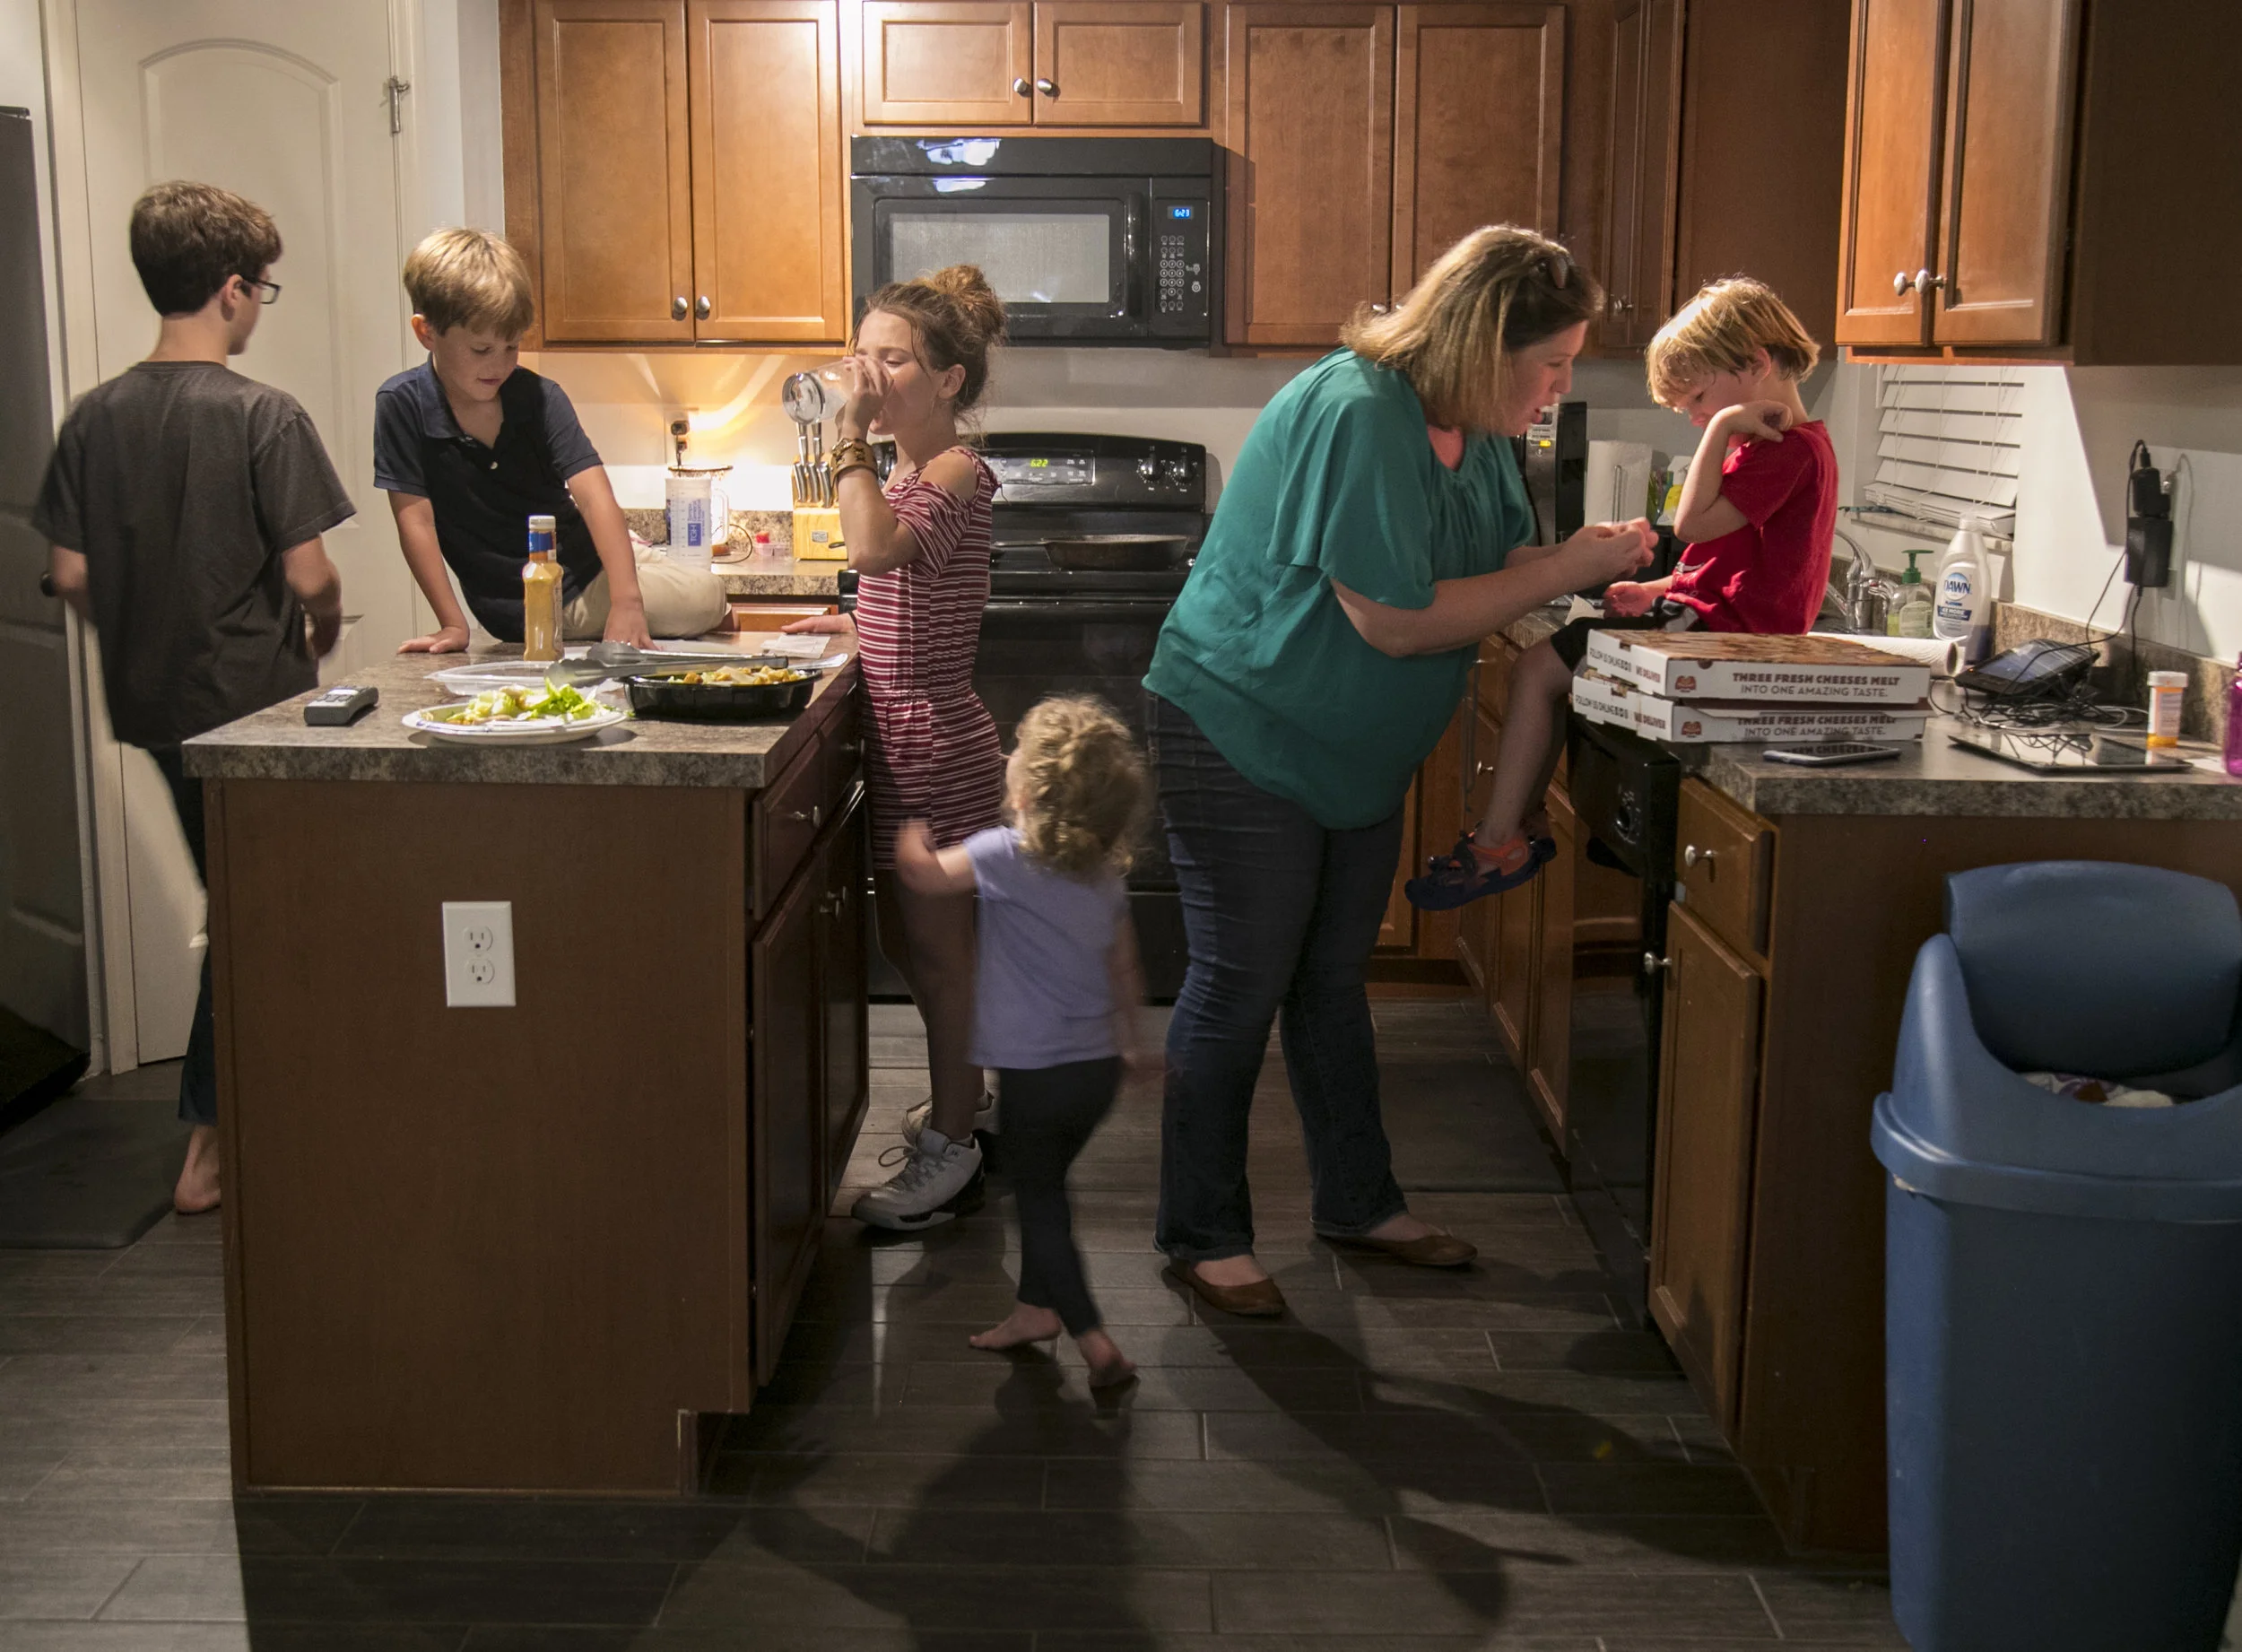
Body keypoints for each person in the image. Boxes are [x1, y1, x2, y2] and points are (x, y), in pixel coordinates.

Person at [1141, 224, 1655, 1317]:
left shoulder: (1475, 427)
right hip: (1242, 725)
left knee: (1329, 981)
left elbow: (1497, 564)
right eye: (1551, 363)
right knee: (1239, 984)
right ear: (1480, 343)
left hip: (1347, 755)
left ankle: (1359, 1203)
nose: (1562, 384)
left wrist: (1586, 570)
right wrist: (1568, 567)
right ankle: (1201, 1234)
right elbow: (1391, 620)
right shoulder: (1359, 411)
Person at [35, 181, 352, 1213]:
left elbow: (73, 577)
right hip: (250, 713)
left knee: (247, 908)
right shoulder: (260, 415)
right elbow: (310, 576)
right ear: (229, 290)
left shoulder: (93, 418)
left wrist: (139, 642)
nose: (261, 306)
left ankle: (267, 1116)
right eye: (261, 288)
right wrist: (323, 626)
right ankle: (214, 1145)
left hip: (153, 708)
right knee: (259, 915)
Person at [1409, 275, 1837, 909]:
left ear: (1755, 364)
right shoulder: (1794, 447)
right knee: (1549, 672)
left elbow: (1691, 526)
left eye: (1697, 398)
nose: (1694, 416)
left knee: (1536, 671)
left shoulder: (1779, 450)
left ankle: (1500, 839)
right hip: (1714, 624)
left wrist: (1718, 429)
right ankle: (1516, 828)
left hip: (1723, 641)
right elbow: (1729, 560)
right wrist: (1662, 588)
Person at [782, 266, 1010, 1230]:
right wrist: (841, 640)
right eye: (860, 354)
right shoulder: (914, 472)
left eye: (892, 358)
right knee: (913, 949)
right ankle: (970, 1097)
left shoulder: (953, 468)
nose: (867, 375)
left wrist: (845, 437)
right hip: (908, 731)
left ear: (948, 380)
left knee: (939, 954)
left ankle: (952, 1145)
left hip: (933, 744)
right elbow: (895, 598)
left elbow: (874, 551)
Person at [894, 697, 1154, 1388]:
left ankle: (1094, 1338)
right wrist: (1136, 1043)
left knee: (1040, 1203)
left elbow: (926, 876)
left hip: (1036, 1076)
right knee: (1050, 1184)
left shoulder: (1002, 854)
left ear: (1027, 791)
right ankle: (1035, 1310)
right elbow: (1123, 965)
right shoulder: (1102, 873)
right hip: (1094, 1074)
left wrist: (908, 830)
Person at [374, 228, 726, 653]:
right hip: (545, 600)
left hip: (585, 560)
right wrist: (452, 624)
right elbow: (416, 522)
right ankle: (679, 594)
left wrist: (627, 601)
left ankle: (637, 570)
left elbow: (595, 499)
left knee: (679, 582)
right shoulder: (401, 405)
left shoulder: (539, 397)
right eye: (482, 350)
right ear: (426, 332)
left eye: (512, 346)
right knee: (709, 596)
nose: (500, 364)